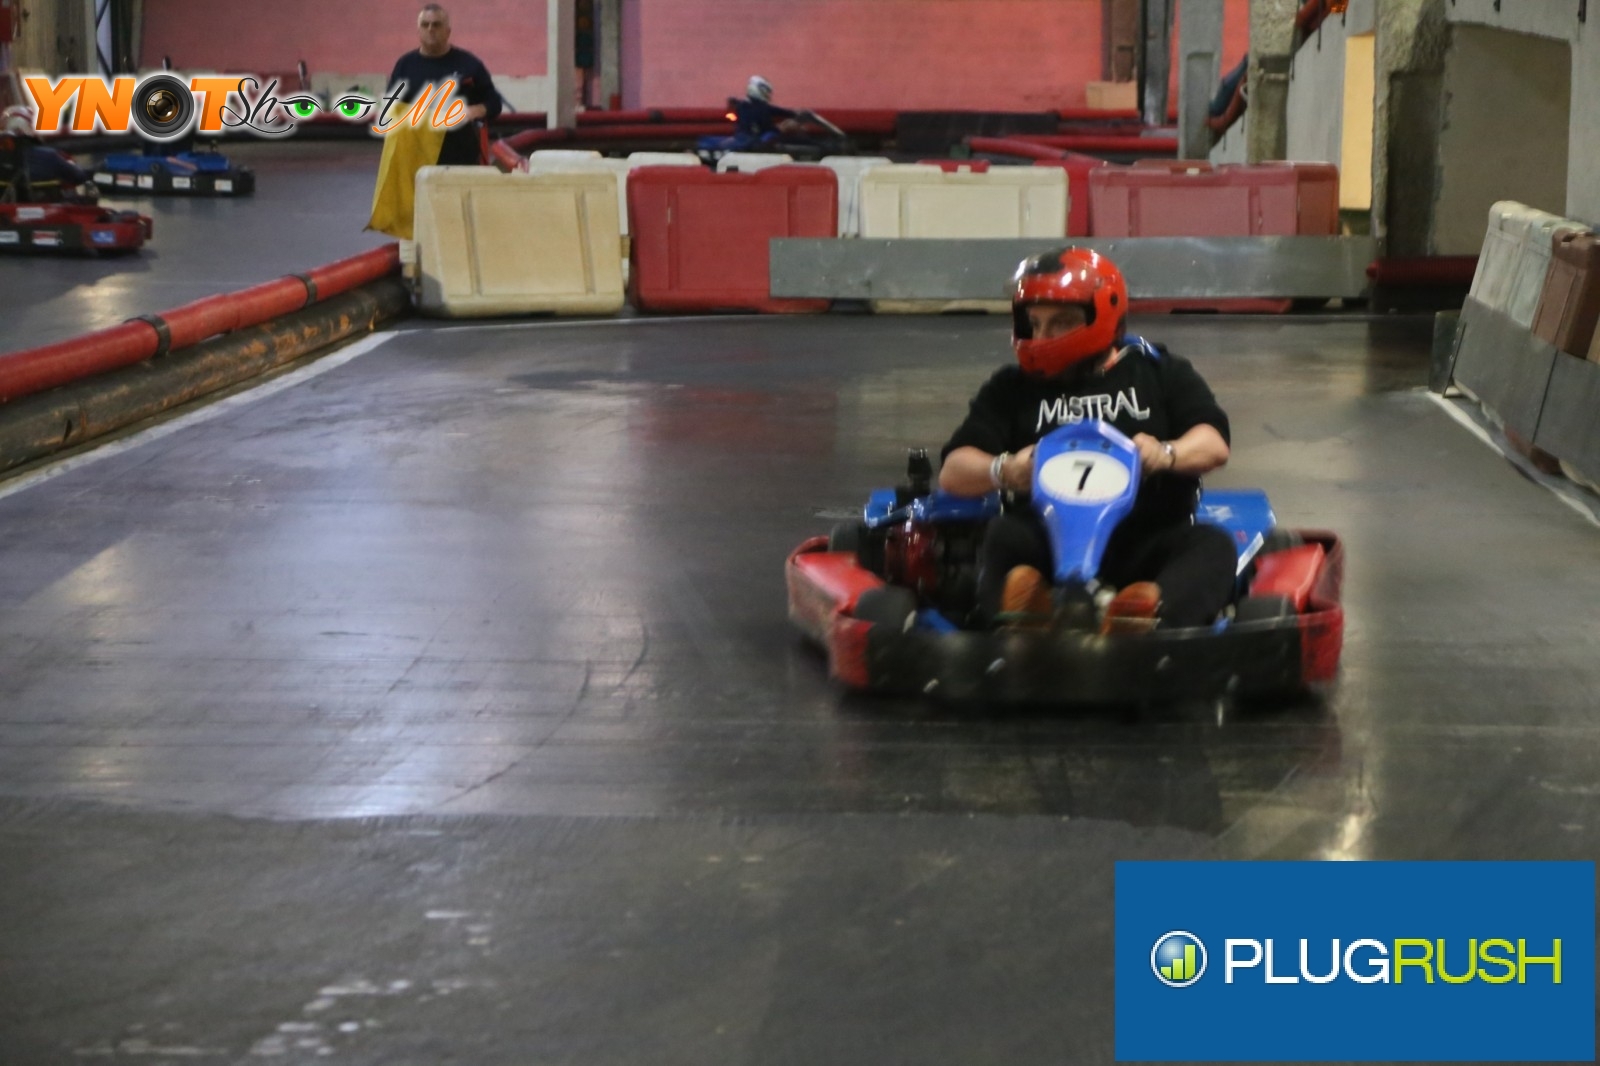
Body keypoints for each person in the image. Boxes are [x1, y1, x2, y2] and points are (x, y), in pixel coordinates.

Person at [938, 247, 1236, 634]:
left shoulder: (1158, 372)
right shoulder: (1011, 387)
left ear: (1102, 316)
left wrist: (1165, 453)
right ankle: (1025, 617)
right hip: (1046, 543)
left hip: (1145, 541)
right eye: (1035, 323)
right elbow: (953, 471)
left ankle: (1145, 618)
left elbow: (1213, 443)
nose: (1042, 336)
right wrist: (1006, 470)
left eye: (1060, 323)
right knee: (1002, 535)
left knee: (1213, 545)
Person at [387, 3, 504, 166]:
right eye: (425, 25)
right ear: (418, 31)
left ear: (448, 31)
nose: (430, 29)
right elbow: (391, 109)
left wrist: (474, 111)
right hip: (416, 160)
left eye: (436, 25)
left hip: (461, 159)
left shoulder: (469, 65)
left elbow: (494, 103)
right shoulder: (405, 66)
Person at [0, 105, 94, 203]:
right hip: (50, 210)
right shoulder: (50, 156)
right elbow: (79, 177)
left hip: (7, 211)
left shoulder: (4, 159)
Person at [731, 75, 802, 147]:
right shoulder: (759, 108)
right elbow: (766, 127)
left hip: (744, 139)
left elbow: (774, 110)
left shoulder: (744, 105)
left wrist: (792, 113)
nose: (768, 94)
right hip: (755, 142)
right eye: (767, 92)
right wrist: (781, 128)